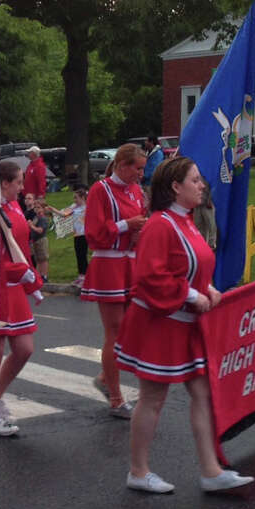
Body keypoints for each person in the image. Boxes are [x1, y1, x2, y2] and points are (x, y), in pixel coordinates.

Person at [115, 157, 253, 494]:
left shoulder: (186, 222)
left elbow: (190, 265)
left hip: (186, 325)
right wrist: (192, 294)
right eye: (194, 180)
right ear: (175, 187)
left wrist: (207, 288)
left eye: (200, 180)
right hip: (159, 325)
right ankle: (138, 470)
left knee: (203, 394)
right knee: (153, 398)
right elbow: (150, 276)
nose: (202, 185)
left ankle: (210, 471)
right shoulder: (160, 225)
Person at [81, 142, 148, 418]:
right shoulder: (101, 190)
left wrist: (139, 232)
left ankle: (105, 378)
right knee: (116, 331)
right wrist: (126, 226)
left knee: (133, 329)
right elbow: (94, 232)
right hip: (109, 263)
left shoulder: (136, 191)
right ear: (122, 165)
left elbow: (139, 223)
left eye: (143, 169)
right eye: (137, 168)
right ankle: (116, 398)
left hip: (130, 262)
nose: (141, 174)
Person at [0, 161, 44, 436]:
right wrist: (17, 272)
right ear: (3, 183)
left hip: (16, 287)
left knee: (24, 349)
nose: (22, 187)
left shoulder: (14, 206)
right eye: (18, 182)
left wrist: (30, 279)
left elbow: (20, 249)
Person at [23, 191, 53, 283]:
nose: (36, 209)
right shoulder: (36, 217)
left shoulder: (42, 218)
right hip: (35, 240)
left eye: (39, 207)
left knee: (43, 258)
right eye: (35, 207)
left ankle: (44, 275)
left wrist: (31, 226)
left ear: (43, 209)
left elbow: (40, 230)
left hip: (41, 240)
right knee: (38, 259)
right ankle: (39, 274)